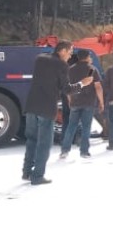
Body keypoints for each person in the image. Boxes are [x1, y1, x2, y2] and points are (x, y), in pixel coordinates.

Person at [22, 41, 93, 185]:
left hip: (31, 105)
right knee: (44, 143)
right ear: (62, 50)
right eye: (70, 51)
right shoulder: (61, 65)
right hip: (46, 107)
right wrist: (82, 84)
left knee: (32, 140)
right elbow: (66, 89)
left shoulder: (40, 58)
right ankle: (37, 176)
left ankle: (27, 172)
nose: (71, 54)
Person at [59, 49, 104, 160]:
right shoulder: (92, 69)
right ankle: (84, 151)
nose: (91, 58)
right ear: (87, 57)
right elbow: (98, 87)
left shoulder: (70, 70)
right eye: (90, 56)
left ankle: (64, 151)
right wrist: (101, 101)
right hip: (88, 102)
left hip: (75, 102)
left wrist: (69, 100)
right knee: (86, 127)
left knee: (71, 127)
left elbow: (68, 88)